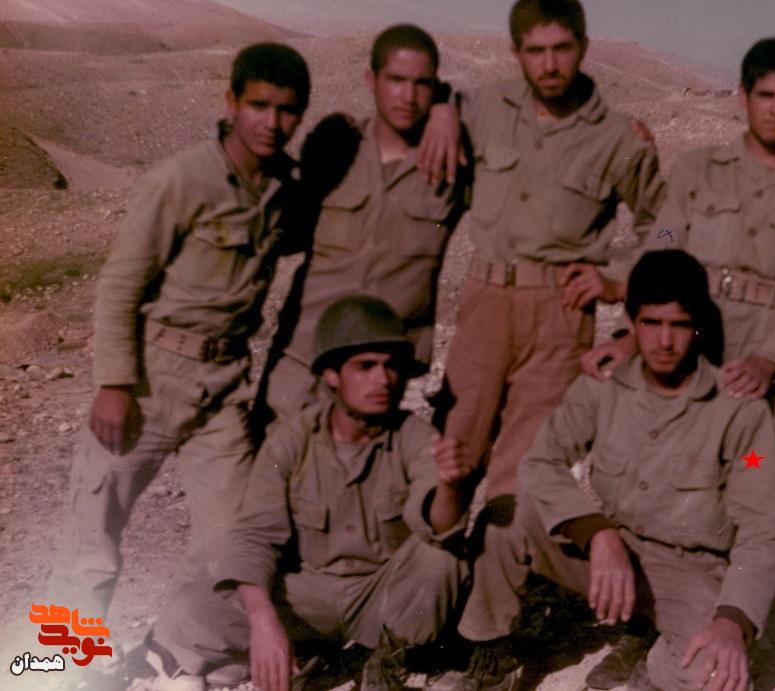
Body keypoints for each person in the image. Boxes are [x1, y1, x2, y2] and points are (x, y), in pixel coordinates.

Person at [578, 40, 775, 683]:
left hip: (756, 377)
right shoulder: (700, 173)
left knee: (757, 484)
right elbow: (663, 242)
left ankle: (725, 619)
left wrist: (771, 359)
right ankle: (648, 621)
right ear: (743, 97)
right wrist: (629, 332)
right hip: (688, 356)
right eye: (765, 95)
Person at [49, 43, 311, 625]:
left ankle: (184, 653)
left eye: (288, 110)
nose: (272, 123)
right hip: (152, 378)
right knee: (92, 537)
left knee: (234, 540)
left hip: (224, 389)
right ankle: (60, 664)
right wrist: (114, 383)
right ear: (231, 102)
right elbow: (121, 285)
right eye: (259, 105)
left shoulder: (283, 191)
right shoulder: (180, 180)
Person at [453, 250, 775, 691]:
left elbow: (765, 527)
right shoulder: (603, 387)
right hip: (612, 552)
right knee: (507, 516)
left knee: (713, 677)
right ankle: (493, 655)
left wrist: (733, 620)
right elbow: (541, 461)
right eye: (651, 323)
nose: (665, 341)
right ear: (632, 323)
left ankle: (653, 659)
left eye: (679, 325)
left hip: (688, 573)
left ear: (697, 326)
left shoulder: (738, 412)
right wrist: (596, 532)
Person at [144, 296, 473, 691]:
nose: (383, 380)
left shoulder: (415, 436)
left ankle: (392, 660)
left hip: (383, 597)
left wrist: (450, 484)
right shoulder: (293, 441)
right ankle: (307, 651)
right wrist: (263, 621)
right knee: (192, 608)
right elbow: (255, 537)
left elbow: (439, 527)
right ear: (332, 375)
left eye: (391, 367)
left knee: (440, 559)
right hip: (311, 597)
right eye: (365, 367)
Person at [435, 0, 665, 510]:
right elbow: (421, 105)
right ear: (515, 52)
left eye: (562, 49)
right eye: (535, 51)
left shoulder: (617, 138)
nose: (550, 64)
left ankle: (501, 559)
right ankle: (435, 560)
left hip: (561, 314)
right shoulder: (483, 109)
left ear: (583, 47)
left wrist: (619, 280)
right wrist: (441, 111)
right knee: (452, 453)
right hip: (484, 304)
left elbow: (668, 226)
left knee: (525, 471)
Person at [256, 24, 467, 426]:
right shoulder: (336, 149)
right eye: (396, 80)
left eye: (422, 84)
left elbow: (514, 114)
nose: (408, 96)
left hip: (381, 372)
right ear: (371, 80)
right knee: (273, 459)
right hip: (302, 359)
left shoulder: (450, 162)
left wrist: (448, 108)